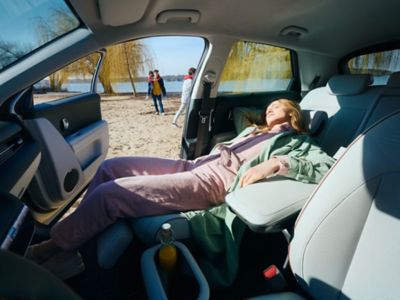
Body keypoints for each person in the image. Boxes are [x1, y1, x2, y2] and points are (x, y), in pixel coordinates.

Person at [26, 99, 335, 279]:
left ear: (293, 114)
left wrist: (275, 164)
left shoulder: (298, 142)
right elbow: (245, 122)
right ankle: (74, 237)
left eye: (277, 106)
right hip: (196, 165)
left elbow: (325, 167)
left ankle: (56, 248)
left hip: (214, 182)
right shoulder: (256, 130)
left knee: (112, 194)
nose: (269, 108)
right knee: (110, 166)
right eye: (267, 106)